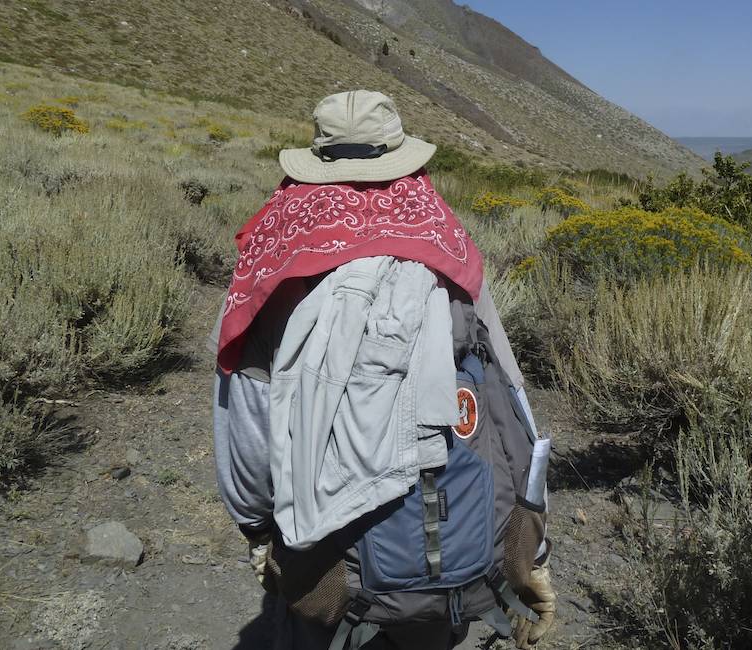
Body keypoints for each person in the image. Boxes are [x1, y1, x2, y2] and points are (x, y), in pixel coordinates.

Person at [210, 90, 555, 649]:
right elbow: (511, 404)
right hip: (457, 549)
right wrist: (533, 546)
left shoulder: (274, 269)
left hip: (326, 561)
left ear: (316, 163)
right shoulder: (448, 252)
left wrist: (257, 529)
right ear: (403, 159)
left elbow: (247, 422)